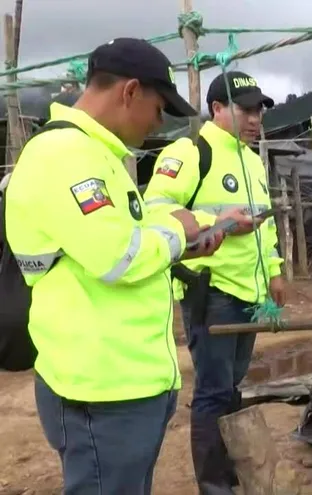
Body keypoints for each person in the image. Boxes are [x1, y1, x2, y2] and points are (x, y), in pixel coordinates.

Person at [3, 38, 231, 494]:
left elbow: (127, 233)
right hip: (100, 392)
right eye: (159, 106)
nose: (159, 122)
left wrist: (192, 233)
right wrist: (178, 236)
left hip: (122, 386)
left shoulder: (98, 156)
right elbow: (118, 257)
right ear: (130, 92)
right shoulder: (66, 156)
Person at [143, 70, 286, 494]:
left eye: (259, 110)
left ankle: (231, 472)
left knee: (232, 387)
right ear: (217, 109)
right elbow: (157, 210)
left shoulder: (250, 159)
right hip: (212, 291)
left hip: (251, 292)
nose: (255, 118)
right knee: (212, 393)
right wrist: (217, 224)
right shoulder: (190, 151)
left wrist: (275, 271)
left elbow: (266, 225)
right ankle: (214, 486)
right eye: (245, 110)